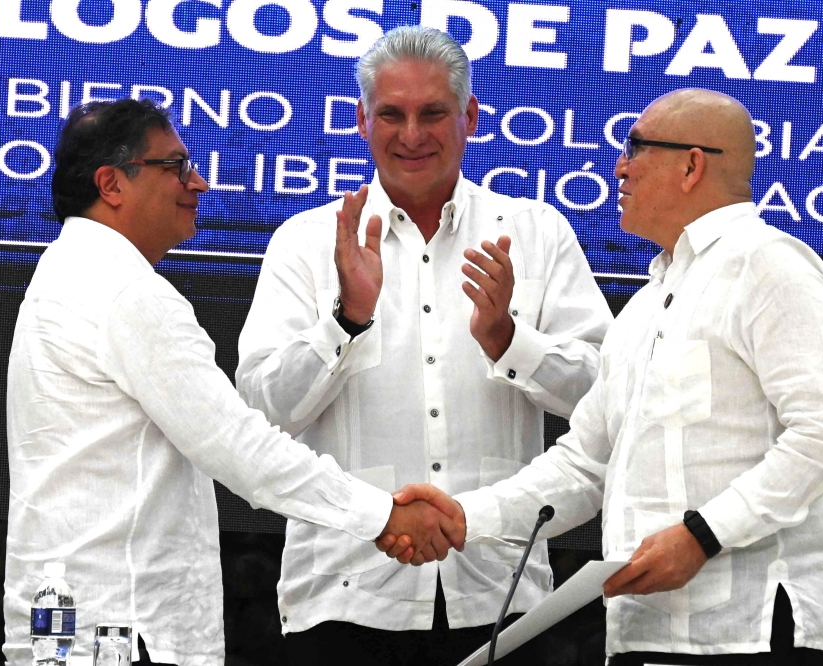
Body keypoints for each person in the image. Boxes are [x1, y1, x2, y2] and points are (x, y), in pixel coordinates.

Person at [389, 89, 823, 665]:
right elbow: (584, 464)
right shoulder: (643, 308)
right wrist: (466, 517)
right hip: (643, 635)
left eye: (634, 148)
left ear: (692, 164)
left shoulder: (766, 264)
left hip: (752, 630)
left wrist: (701, 534)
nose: (618, 165)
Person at [2, 98, 458, 666]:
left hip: (69, 627)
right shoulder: (125, 292)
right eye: (175, 166)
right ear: (111, 184)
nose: (199, 182)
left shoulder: (63, 271)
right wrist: (383, 515)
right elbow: (237, 445)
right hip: (120, 631)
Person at [235, 26, 612, 665]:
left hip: (501, 594)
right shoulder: (305, 242)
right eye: (392, 114)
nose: (412, 135)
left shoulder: (537, 232)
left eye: (433, 112)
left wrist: (508, 340)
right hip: (344, 593)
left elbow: (608, 396)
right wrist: (345, 321)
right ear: (361, 120)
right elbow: (261, 414)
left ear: (469, 116)